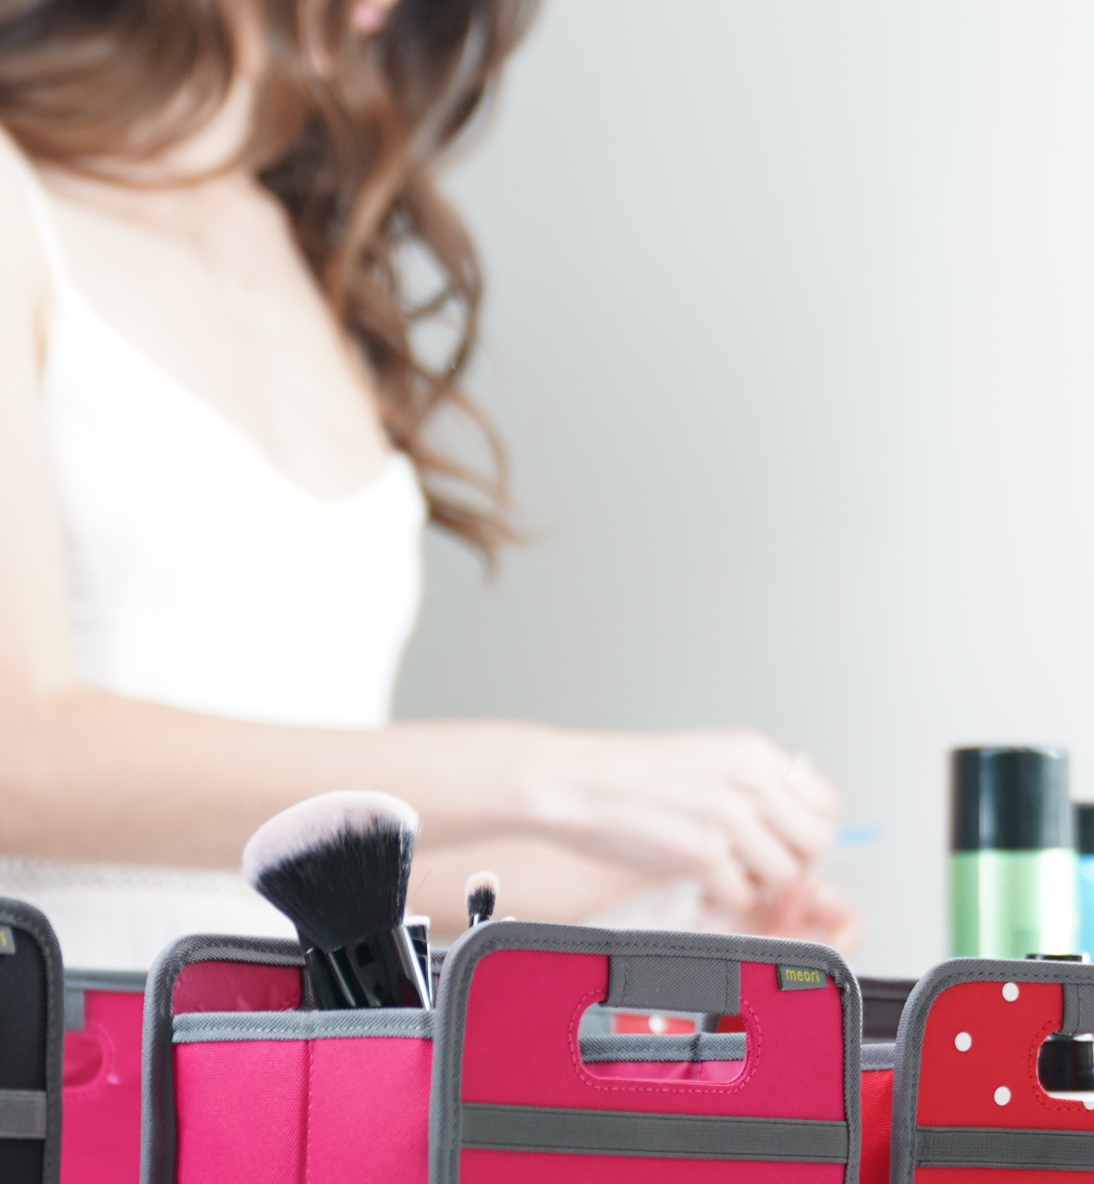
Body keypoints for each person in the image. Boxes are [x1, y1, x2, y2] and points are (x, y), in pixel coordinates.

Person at [0, 0, 855, 967]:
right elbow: (19, 758)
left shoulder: (299, 238)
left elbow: (300, 857)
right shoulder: (17, 194)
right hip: (56, 1078)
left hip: (288, 1085)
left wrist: (672, 884)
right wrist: (555, 777)